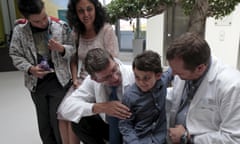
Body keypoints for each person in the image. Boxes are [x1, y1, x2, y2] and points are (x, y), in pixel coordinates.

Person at [9, 0, 75, 144]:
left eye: (44, 17)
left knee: (57, 119)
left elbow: (73, 50)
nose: (43, 23)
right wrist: (30, 69)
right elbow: (15, 54)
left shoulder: (61, 27)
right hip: (36, 84)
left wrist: (62, 49)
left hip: (59, 82)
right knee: (44, 121)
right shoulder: (20, 32)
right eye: (37, 21)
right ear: (26, 18)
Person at [58, 0, 119, 143]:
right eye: (81, 11)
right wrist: (74, 80)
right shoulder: (77, 32)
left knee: (76, 117)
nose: (86, 14)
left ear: (96, 9)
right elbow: (73, 57)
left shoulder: (106, 30)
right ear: (75, 13)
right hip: (81, 79)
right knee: (63, 114)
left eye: (89, 9)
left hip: (101, 79)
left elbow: (113, 59)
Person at [166, 32, 240, 144]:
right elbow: (175, 95)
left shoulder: (232, 86)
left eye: (179, 73)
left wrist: (187, 138)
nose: (173, 74)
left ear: (200, 68)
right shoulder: (184, 70)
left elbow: (233, 139)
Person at [57, 48, 134, 144]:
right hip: (110, 127)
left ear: (114, 61)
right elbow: (66, 108)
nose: (115, 78)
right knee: (80, 121)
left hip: (134, 127)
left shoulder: (134, 74)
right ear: (95, 79)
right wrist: (101, 107)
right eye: (107, 77)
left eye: (114, 69)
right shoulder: (91, 81)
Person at [119, 50, 172, 144]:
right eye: (137, 77)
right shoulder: (129, 96)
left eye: (146, 78)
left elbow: (172, 70)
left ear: (158, 75)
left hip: (160, 139)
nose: (141, 82)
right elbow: (125, 125)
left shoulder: (163, 82)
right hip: (139, 140)